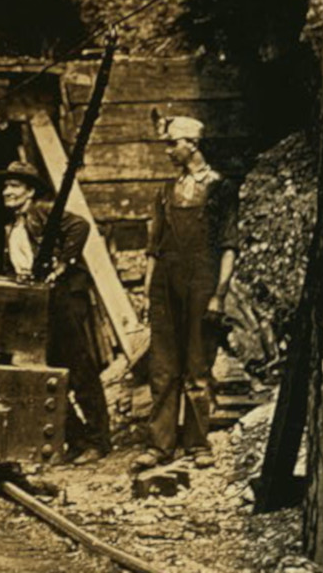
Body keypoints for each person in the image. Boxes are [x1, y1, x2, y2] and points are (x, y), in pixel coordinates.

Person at [138, 114, 239, 470]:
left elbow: (229, 246)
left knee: (197, 367)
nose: (167, 150)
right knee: (163, 369)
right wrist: (148, 291)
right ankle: (160, 445)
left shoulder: (220, 188)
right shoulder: (165, 192)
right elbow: (154, 247)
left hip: (202, 284)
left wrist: (219, 295)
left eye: (172, 143)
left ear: (192, 144)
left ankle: (197, 444)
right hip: (166, 286)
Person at [0, 160, 111, 465]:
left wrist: (62, 264)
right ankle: (75, 439)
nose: (7, 191)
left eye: (15, 186)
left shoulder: (43, 211)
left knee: (79, 368)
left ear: (30, 191)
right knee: (51, 371)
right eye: (6, 185)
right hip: (39, 305)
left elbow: (80, 226)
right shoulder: (13, 226)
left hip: (62, 299)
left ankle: (99, 440)